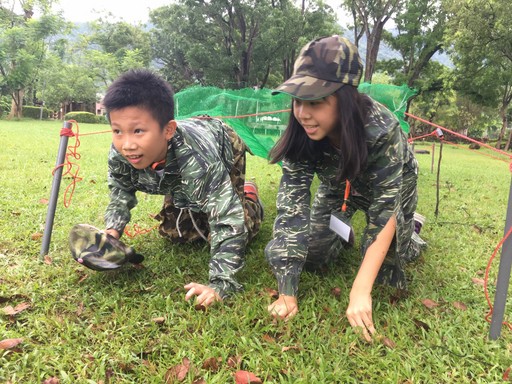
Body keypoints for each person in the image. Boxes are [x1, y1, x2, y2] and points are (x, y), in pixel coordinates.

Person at [265, 35, 426, 340]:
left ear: (345, 98)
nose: (302, 114)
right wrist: (287, 291)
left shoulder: (382, 130)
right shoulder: (301, 134)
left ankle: (411, 232)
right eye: (297, 101)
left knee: (390, 269)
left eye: (314, 102)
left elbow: (384, 210)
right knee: (313, 255)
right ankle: (346, 233)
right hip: (339, 187)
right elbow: (291, 207)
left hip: (392, 190)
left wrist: (359, 291)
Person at [102, 69, 264, 308]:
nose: (127, 144)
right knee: (175, 234)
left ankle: (249, 197)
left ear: (167, 130)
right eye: (117, 131)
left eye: (138, 131)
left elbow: (228, 220)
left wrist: (220, 284)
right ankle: (192, 199)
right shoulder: (120, 154)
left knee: (227, 231)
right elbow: (120, 192)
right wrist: (111, 235)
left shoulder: (199, 160)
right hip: (174, 166)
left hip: (223, 144)